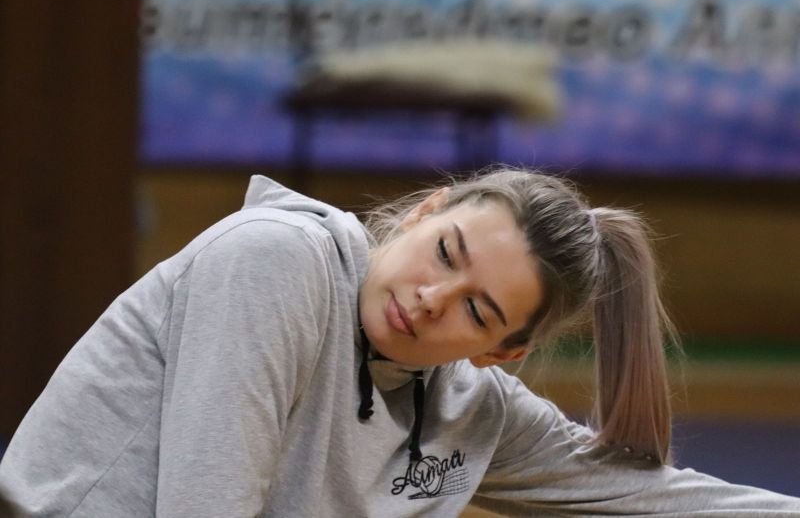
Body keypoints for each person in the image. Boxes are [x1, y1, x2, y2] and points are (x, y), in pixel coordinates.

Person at [0, 168, 797, 517]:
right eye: (446, 252)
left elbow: (662, 500)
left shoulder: (475, 410)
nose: (430, 297)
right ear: (425, 212)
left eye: (476, 310)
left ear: (502, 351)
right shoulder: (276, 260)